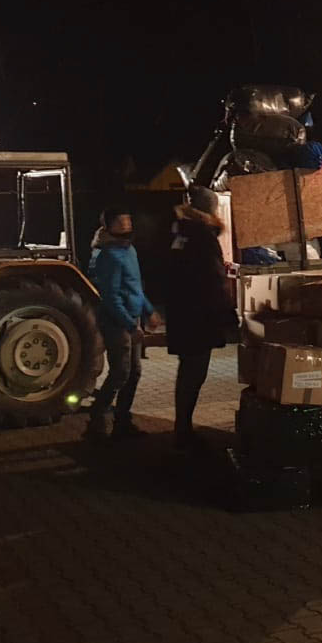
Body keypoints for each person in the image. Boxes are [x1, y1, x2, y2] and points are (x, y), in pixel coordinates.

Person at [165, 185, 235, 450]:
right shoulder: (203, 236)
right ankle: (183, 430)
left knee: (188, 371)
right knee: (194, 373)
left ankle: (182, 426)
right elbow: (215, 280)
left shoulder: (180, 233)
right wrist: (229, 316)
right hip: (199, 315)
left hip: (182, 314)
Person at [86, 203, 154, 439]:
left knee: (133, 372)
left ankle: (122, 421)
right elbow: (111, 297)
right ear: (108, 226)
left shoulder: (128, 249)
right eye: (120, 222)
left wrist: (148, 311)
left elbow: (134, 286)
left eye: (128, 220)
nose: (126, 225)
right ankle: (97, 418)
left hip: (132, 318)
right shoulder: (107, 255)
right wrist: (130, 325)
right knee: (120, 373)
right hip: (117, 322)